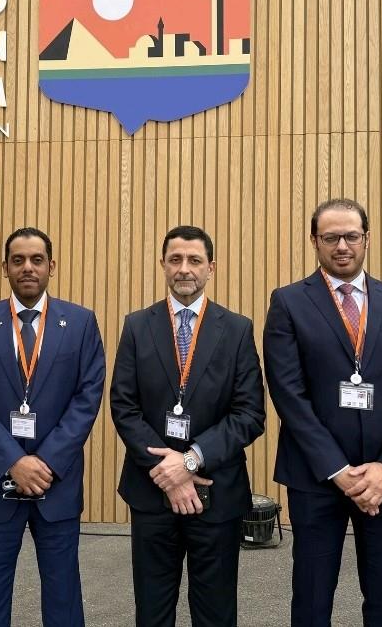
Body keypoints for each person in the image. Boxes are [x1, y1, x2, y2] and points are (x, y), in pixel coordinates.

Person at [263, 198, 382, 625]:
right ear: (314, 241)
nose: (342, 246)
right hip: (316, 477)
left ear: (367, 239)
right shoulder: (288, 302)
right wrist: (337, 469)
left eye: (351, 236)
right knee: (312, 600)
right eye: (331, 237)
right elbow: (289, 395)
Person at [110, 225, 266, 627]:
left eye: (194, 260)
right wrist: (168, 472)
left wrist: (191, 461)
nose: (184, 269)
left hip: (217, 494)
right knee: (153, 611)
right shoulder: (137, 326)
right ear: (163, 265)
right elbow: (124, 406)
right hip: (151, 491)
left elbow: (250, 413)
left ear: (211, 267)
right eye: (175, 259)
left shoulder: (237, 329)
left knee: (215, 613)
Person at [0, 227, 105, 626]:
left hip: (57, 484)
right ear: (4, 267)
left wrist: (46, 462)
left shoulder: (81, 323)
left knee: (63, 600)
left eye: (37, 260)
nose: (27, 268)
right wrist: (13, 462)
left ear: (52, 266)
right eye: (17, 260)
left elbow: (87, 398)